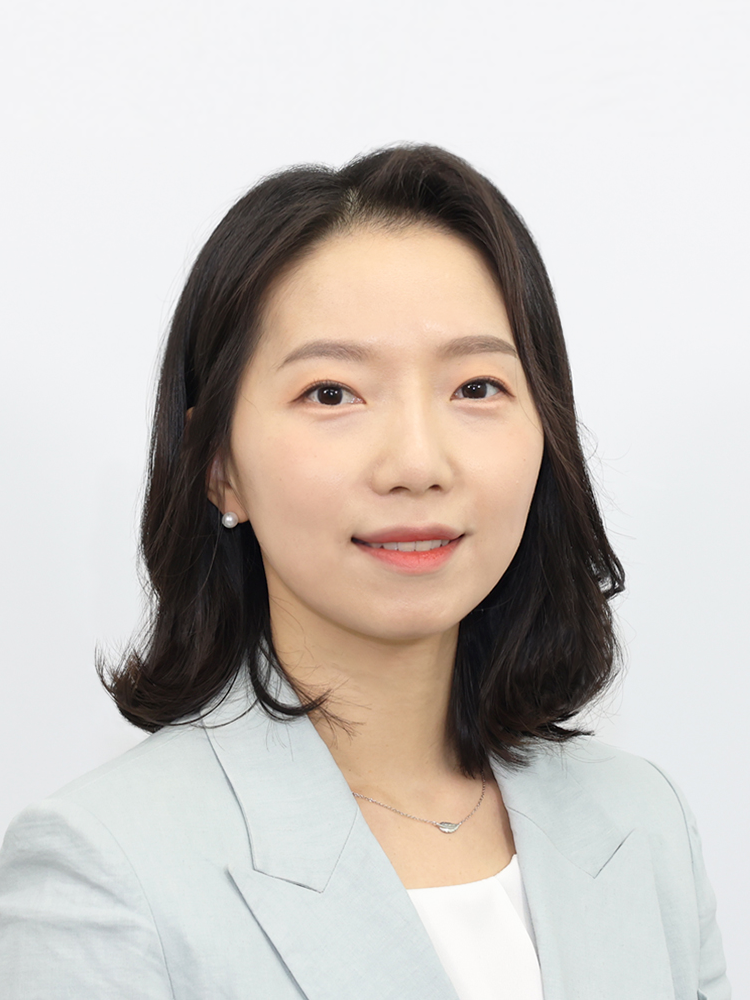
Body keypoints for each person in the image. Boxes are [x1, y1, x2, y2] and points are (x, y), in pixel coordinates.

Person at [0, 144, 730, 999]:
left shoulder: (643, 822)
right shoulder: (104, 870)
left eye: (477, 387)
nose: (417, 464)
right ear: (218, 465)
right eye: (332, 394)